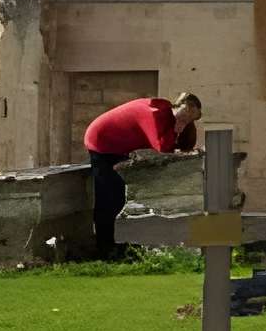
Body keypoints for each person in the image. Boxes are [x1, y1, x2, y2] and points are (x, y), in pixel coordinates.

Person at [83, 89, 199, 258]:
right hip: (102, 143)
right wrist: (178, 126)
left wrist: (182, 129)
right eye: (184, 118)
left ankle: (120, 245)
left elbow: (179, 145)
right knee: (109, 197)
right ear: (178, 108)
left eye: (190, 120)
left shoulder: (167, 113)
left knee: (121, 197)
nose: (186, 122)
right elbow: (162, 148)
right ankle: (105, 249)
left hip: (119, 146)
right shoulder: (153, 114)